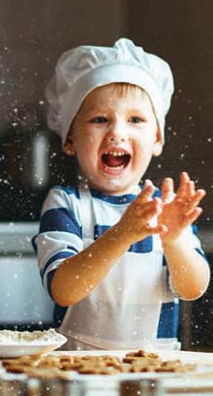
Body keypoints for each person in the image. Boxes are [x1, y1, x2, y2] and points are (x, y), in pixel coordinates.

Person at [33, 38, 210, 351]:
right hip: (76, 370)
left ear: (156, 139)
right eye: (100, 119)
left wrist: (172, 240)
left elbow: (193, 288)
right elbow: (63, 288)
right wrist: (121, 235)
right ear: (70, 137)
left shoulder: (166, 210)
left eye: (136, 120)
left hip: (154, 369)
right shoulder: (66, 203)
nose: (117, 132)